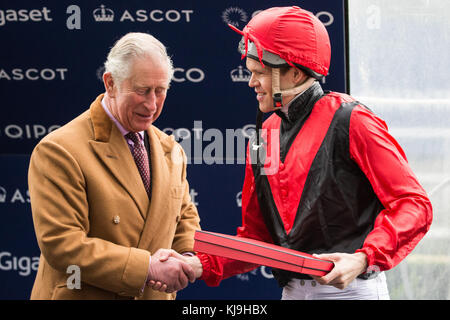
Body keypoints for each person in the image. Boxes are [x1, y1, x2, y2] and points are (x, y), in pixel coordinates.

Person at [151, 6, 433, 300]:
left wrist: (364, 258)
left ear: (295, 73)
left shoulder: (352, 120)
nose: (251, 83)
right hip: (292, 292)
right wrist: (198, 264)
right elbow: (256, 238)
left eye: (258, 73)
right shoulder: (263, 136)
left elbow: (414, 204)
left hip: (351, 291)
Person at [28, 32, 201, 300]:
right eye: (142, 90)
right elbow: (63, 245)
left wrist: (188, 257)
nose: (152, 104)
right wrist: (147, 268)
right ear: (110, 83)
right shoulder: (59, 150)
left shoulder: (171, 150)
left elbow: (185, 218)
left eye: (160, 91)